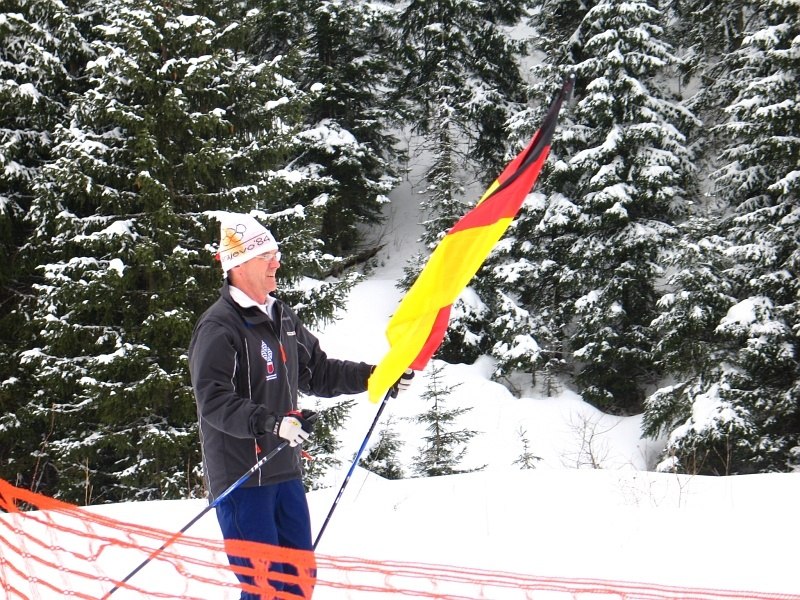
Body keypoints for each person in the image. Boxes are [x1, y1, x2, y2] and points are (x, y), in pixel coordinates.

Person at [188, 212, 412, 599]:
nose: (276, 263)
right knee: (265, 587)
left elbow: (318, 372)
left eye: (275, 255)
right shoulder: (219, 327)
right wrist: (271, 423)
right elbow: (214, 401)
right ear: (238, 266)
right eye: (266, 257)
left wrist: (376, 376)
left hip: (284, 471)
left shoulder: (282, 316)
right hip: (243, 477)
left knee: (297, 582)